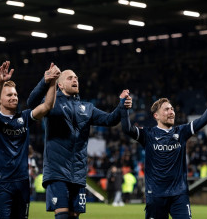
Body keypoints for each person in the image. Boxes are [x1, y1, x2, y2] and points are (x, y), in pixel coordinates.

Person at [27, 69, 132, 219]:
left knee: (73, 216)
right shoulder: (52, 102)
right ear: (61, 85)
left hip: (78, 173)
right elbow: (32, 103)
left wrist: (122, 104)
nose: (75, 79)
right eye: (70, 78)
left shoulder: (87, 107)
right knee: (62, 215)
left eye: (76, 77)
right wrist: (45, 81)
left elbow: (110, 120)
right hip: (57, 171)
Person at [121, 85, 207, 219]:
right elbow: (126, 128)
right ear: (156, 115)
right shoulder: (147, 134)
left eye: (172, 109)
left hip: (179, 195)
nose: (171, 112)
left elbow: (204, 119)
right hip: (155, 195)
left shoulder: (181, 132)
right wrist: (123, 107)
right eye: (166, 109)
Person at [0, 61, 59, 218]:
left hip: (22, 182)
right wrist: (0, 83)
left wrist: (53, 81)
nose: (14, 97)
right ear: (0, 100)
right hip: (1, 183)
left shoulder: (24, 117)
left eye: (16, 94)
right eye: (9, 95)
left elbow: (47, 106)